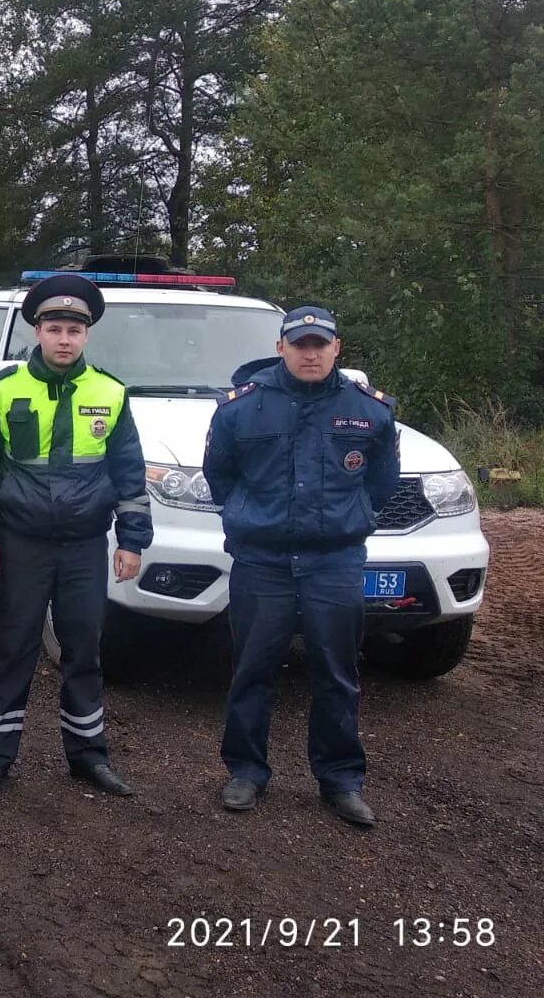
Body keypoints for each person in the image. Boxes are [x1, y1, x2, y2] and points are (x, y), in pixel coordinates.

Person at [0, 273, 152, 800]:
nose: (64, 338)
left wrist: (132, 541)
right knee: (13, 646)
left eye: (73, 329)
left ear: (86, 335)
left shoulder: (111, 393)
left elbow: (130, 475)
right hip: (21, 542)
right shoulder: (5, 390)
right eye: (54, 328)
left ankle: (88, 757)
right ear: (37, 331)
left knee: (84, 648)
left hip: (85, 546)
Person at [203, 306, 399, 828]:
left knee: (337, 675)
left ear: (337, 348)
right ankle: (245, 771)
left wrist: (349, 518)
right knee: (252, 670)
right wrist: (252, 518)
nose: (309, 353)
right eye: (299, 343)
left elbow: (380, 483)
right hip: (262, 560)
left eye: (320, 344)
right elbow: (219, 476)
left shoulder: (371, 411)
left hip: (333, 561)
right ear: (280, 346)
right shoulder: (239, 410)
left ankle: (340, 780)